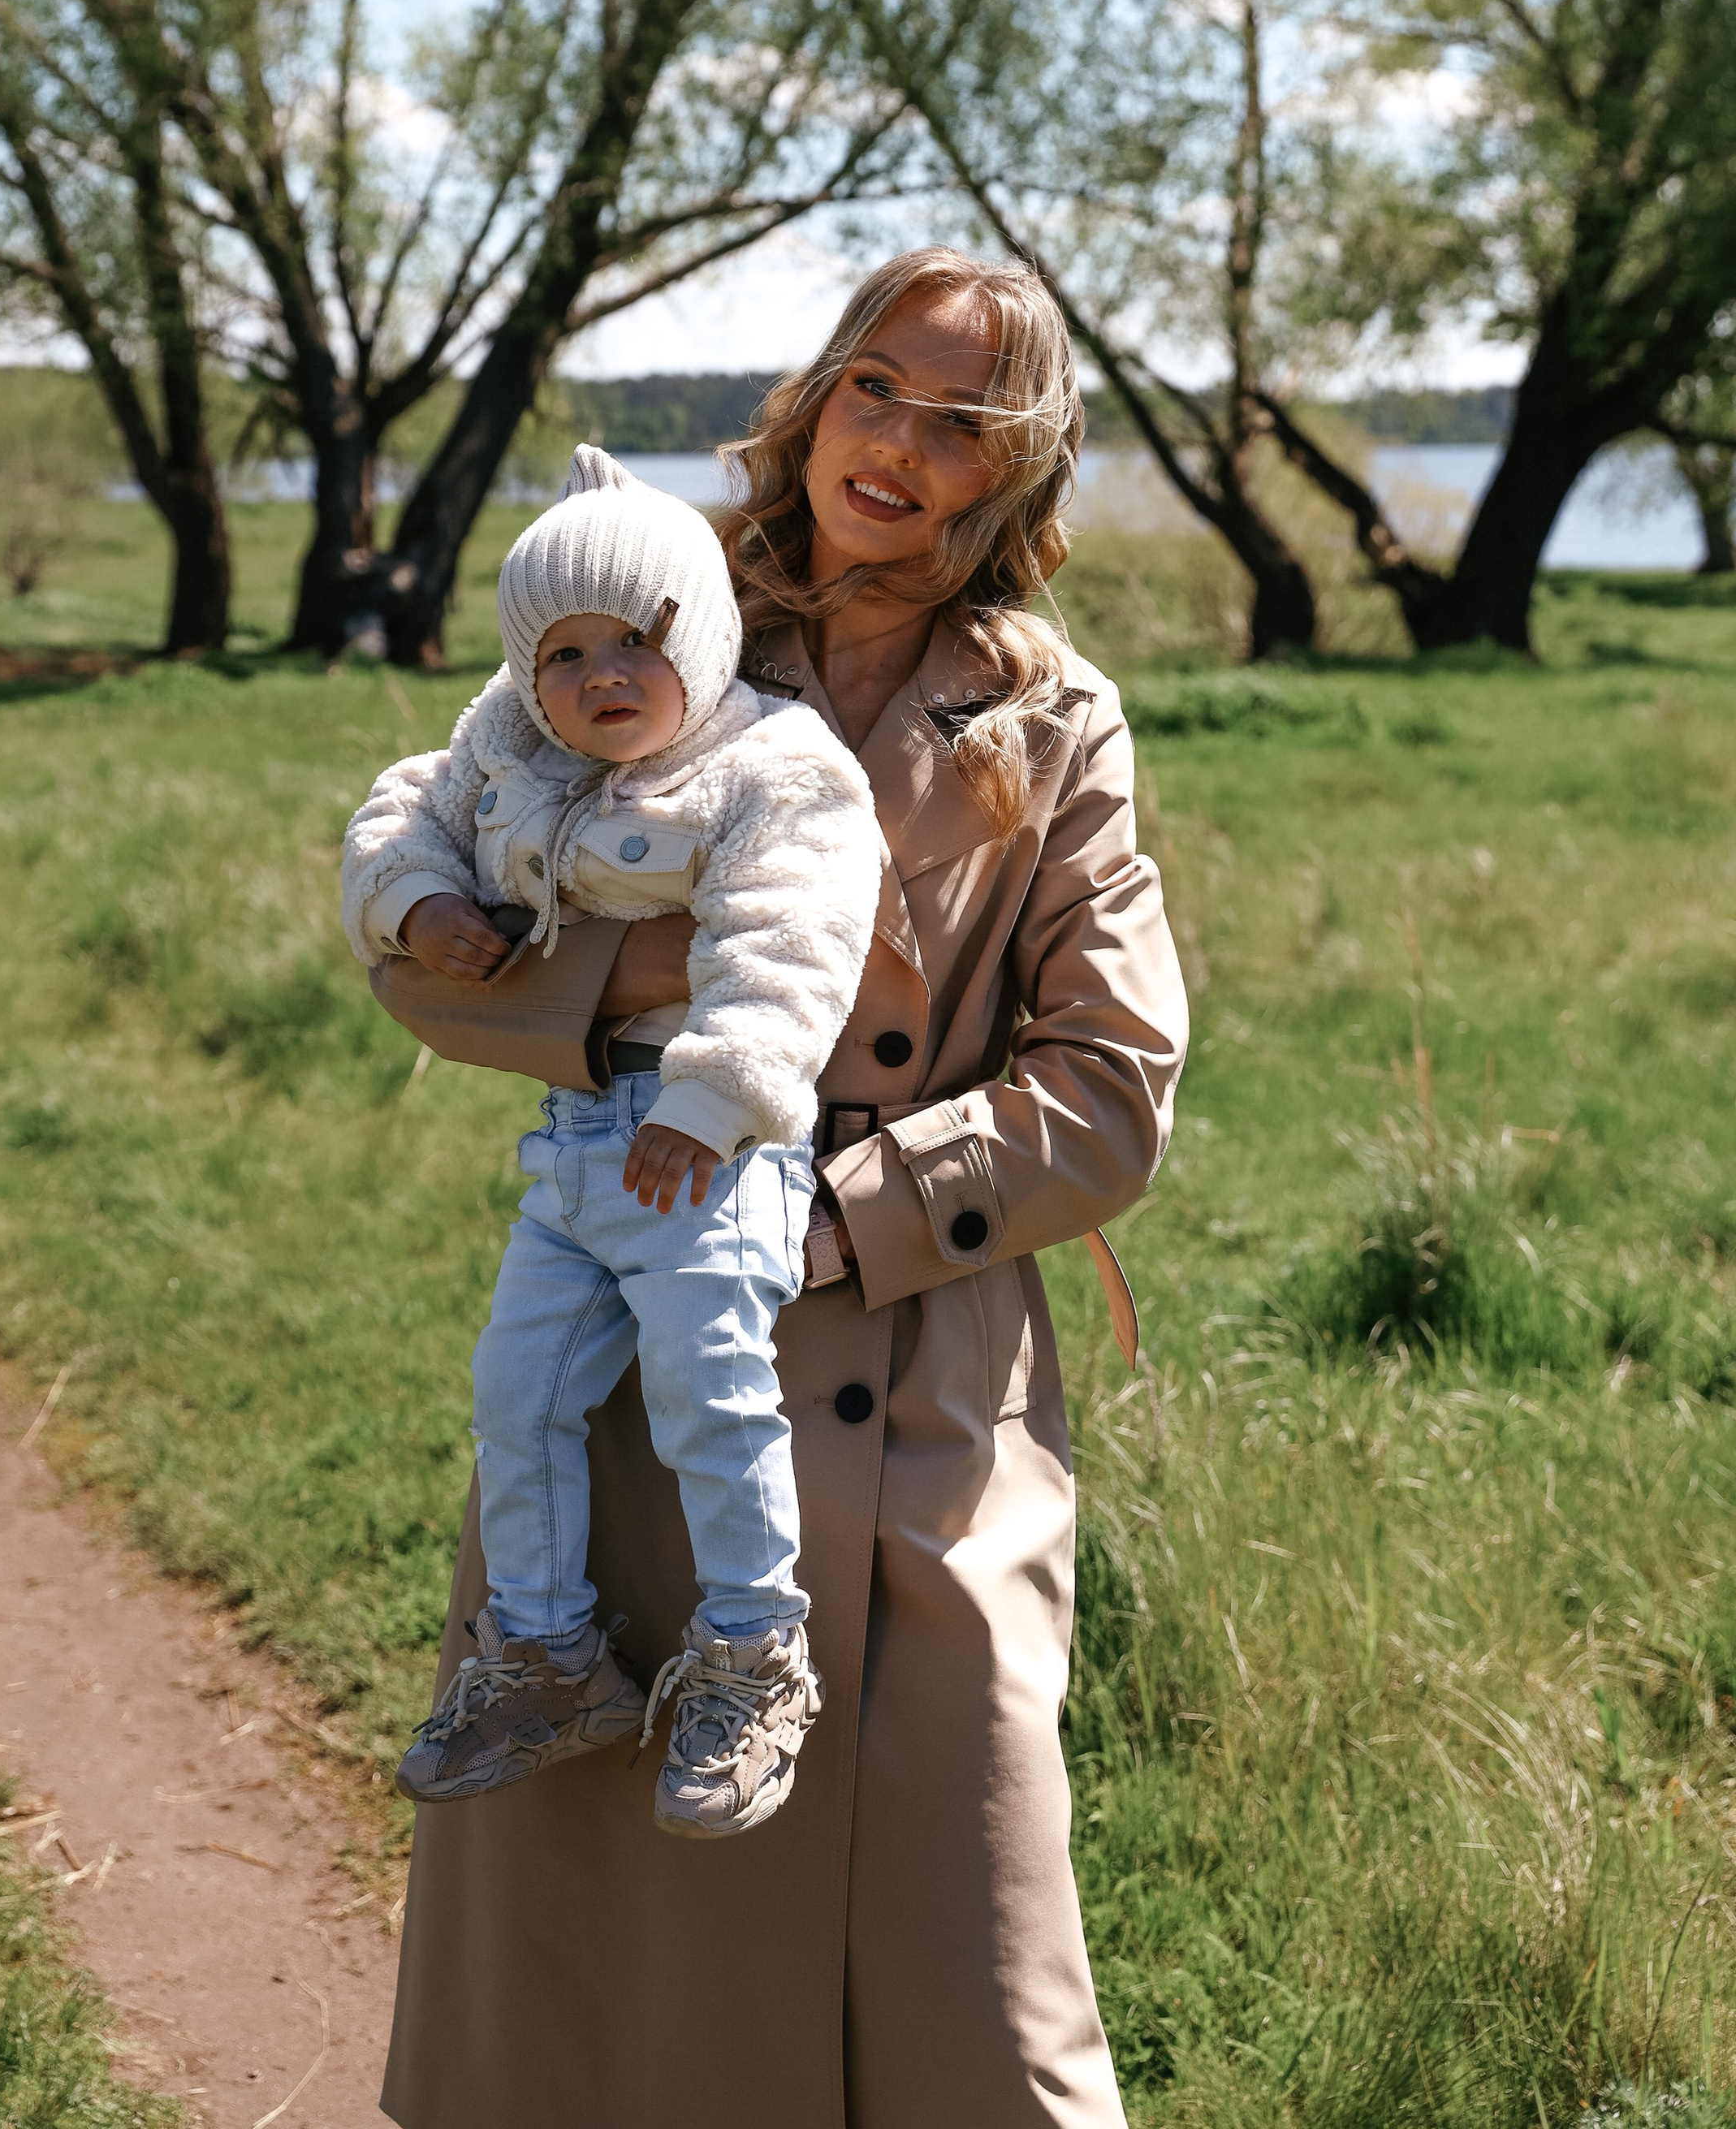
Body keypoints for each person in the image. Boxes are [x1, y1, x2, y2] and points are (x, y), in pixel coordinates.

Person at [364, 249, 1190, 2129]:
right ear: (815, 395)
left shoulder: (1056, 724)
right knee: (606, 1976)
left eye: (961, 422)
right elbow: (426, 936)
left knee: (971, 1975)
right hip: (644, 1356)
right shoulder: (642, 620)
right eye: (876, 389)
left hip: (913, 1399)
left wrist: (830, 1219)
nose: (897, 447)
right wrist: (636, 1000)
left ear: (1018, 471)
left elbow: (1115, 1091)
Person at [343, 446, 880, 1835]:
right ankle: (542, 1651)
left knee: (712, 1388)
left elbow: (794, 950)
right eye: (565, 654)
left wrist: (709, 1104)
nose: (603, 677)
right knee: (516, 1394)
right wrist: (411, 903)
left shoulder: (773, 764)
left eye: (637, 641)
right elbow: (401, 809)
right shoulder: (516, 749)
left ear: (697, 635)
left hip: (713, 1141)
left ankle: (758, 1651)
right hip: (577, 1145)